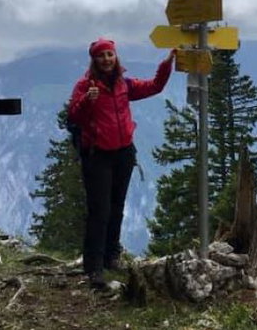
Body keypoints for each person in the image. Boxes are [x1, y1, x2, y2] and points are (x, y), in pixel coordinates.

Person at [68, 37, 176, 289]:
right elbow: (73, 115)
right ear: (94, 60)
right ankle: (93, 267)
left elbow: (155, 86)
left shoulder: (123, 84)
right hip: (97, 155)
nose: (106, 59)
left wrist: (167, 64)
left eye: (110, 54)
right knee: (99, 211)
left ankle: (111, 257)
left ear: (115, 57)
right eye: (101, 55)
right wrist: (87, 100)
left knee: (117, 207)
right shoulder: (85, 86)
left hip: (124, 153)